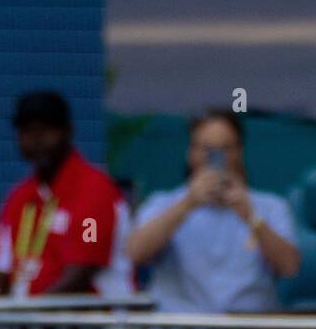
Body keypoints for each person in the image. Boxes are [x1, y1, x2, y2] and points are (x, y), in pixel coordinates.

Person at [126, 109, 299, 317]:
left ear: (240, 152)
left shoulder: (270, 206)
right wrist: (187, 204)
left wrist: (250, 216)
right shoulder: (163, 203)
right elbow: (135, 254)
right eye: (206, 149)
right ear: (191, 152)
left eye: (225, 149)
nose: (216, 158)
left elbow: (290, 267)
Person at [0, 91, 133, 298]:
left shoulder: (96, 191)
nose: (36, 140)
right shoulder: (20, 198)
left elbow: (80, 275)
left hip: (95, 325)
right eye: (27, 132)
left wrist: (28, 320)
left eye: (45, 131)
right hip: (32, 325)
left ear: (68, 132)